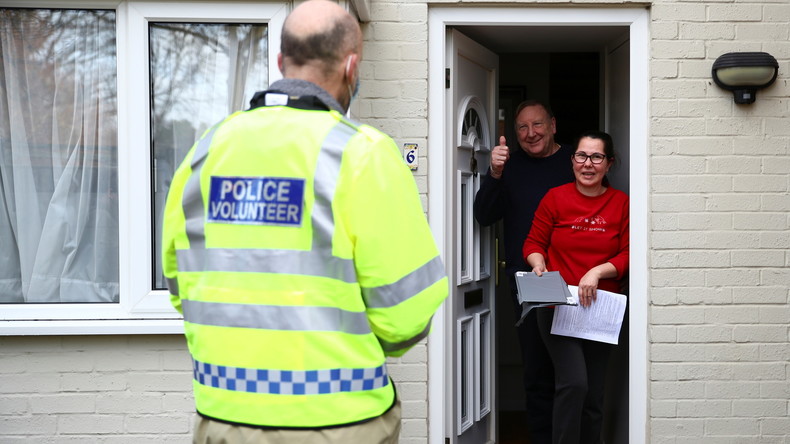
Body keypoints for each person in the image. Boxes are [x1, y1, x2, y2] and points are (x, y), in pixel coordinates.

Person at [160, 1, 449, 442]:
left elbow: (181, 286)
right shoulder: (361, 154)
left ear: (281, 62)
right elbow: (406, 313)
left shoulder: (206, 149)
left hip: (220, 417)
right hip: (338, 422)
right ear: (352, 66)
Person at [473, 99, 574, 444]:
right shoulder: (510, 167)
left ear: (553, 125)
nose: (531, 134)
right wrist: (495, 174)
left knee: (575, 374)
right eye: (522, 128)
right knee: (537, 371)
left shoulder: (576, 162)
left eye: (538, 125)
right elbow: (484, 216)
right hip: (529, 281)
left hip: (576, 280)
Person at [523, 130, 629, 444]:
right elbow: (533, 242)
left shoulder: (620, 203)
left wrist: (597, 271)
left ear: (609, 164)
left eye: (597, 157)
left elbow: (629, 253)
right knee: (574, 384)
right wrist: (537, 262)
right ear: (572, 161)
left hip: (602, 307)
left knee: (594, 395)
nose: (588, 163)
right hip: (558, 305)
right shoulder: (555, 197)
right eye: (582, 156)